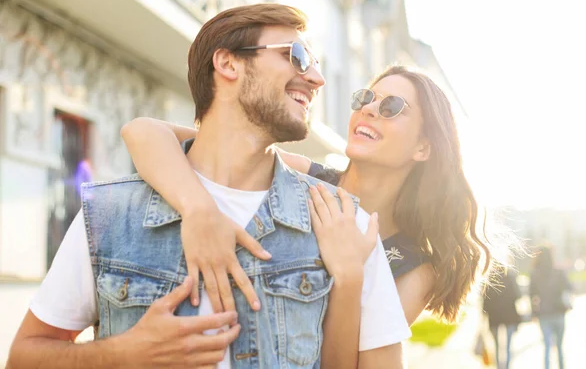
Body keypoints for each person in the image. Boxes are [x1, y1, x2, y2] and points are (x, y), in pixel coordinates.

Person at [7, 3, 409, 369]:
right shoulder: (111, 215)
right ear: (228, 64)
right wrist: (125, 353)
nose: (317, 79)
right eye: (297, 57)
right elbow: (23, 358)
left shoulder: (344, 224)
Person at [122, 62, 496, 349]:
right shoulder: (298, 176)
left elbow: (359, 362)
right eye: (365, 98)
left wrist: (349, 278)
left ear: (423, 148)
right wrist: (197, 209)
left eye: (392, 107)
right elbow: (142, 132)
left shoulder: (413, 266)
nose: (368, 110)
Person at [530, 245, 572, 369]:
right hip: (559, 311)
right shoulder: (558, 271)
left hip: (544, 313)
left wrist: (534, 313)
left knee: (547, 346)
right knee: (559, 347)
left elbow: (531, 295)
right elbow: (569, 287)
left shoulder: (535, 273)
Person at [483, 269, 522, 369]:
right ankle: (507, 366)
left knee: (497, 346)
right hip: (509, 316)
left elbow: (485, 301)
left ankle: (498, 366)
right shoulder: (510, 277)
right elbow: (518, 295)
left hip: (494, 317)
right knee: (508, 346)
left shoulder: (489, 278)